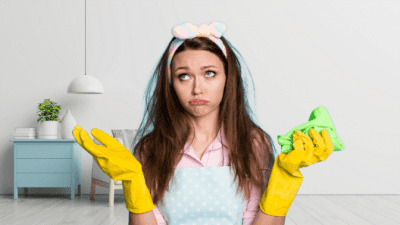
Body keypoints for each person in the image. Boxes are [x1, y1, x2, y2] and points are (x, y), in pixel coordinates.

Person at [72, 21, 334, 225]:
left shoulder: (254, 144)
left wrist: (284, 181)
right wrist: (133, 183)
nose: (197, 88)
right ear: (170, 84)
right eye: (183, 76)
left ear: (228, 78)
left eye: (210, 73)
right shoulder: (151, 149)